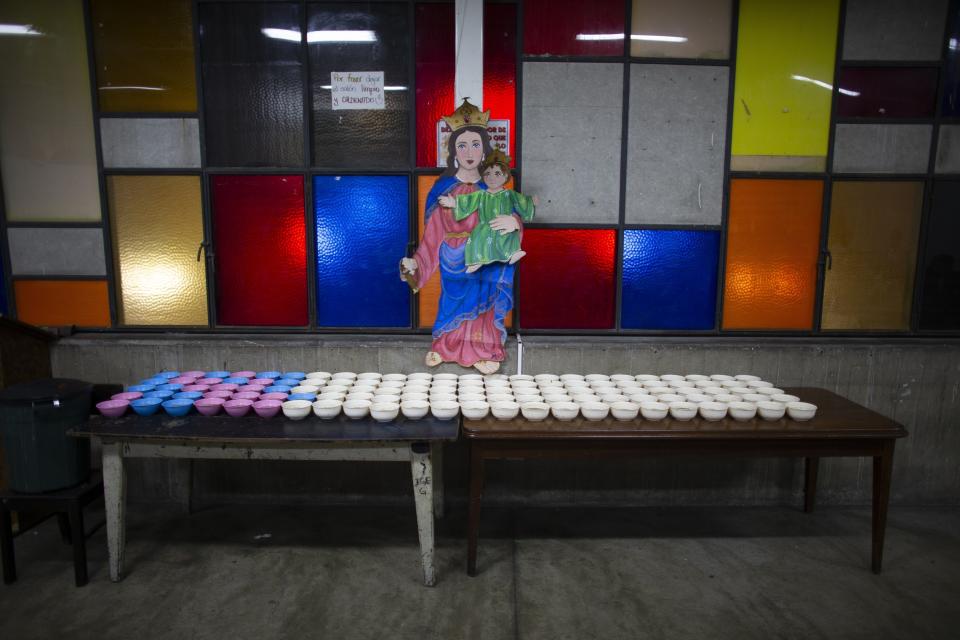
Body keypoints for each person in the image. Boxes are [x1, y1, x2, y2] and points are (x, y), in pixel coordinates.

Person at [399, 99, 521, 374]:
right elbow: (432, 235)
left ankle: (485, 349)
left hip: (485, 255)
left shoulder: (495, 187)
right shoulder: (444, 187)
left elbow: (514, 216)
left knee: (484, 307)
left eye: (475, 144)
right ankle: (445, 346)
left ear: (485, 149)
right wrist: (416, 264)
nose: (469, 152)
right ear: (453, 150)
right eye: (462, 145)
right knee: (452, 301)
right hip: (452, 257)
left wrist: (513, 223)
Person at [438, 149, 536, 273]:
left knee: (506, 237)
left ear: (506, 176)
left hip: (502, 225)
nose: (491, 177)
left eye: (497, 173)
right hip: (485, 225)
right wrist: (454, 203)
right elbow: (468, 201)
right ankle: (476, 261)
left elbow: (521, 201)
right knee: (477, 240)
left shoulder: (509, 194)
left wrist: (530, 202)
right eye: (487, 174)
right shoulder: (481, 195)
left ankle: (513, 253)